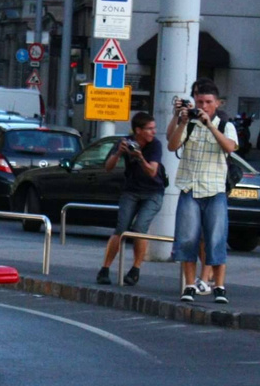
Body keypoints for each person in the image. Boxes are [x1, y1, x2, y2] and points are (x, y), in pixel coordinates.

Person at [168, 78, 238, 304]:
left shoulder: (225, 125)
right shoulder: (188, 123)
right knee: (188, 238)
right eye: (200, 101)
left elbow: (230, 147)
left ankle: (219, 286)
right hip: (190, 186)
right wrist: (181, 120)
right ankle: (189, 285)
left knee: (216, 238)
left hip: (215, 189)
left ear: (217, 103)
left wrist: (209, 125)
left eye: (208, 102)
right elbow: (172, 145)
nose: (204, 106)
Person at [96, 112, 166, 287]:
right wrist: (118, 153)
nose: (153, 132)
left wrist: (140, 157)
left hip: (153, 192)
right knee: (120, 228)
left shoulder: (155, 146)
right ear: (138, 131)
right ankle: (104, 269)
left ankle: (135, 269)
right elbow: (108, 167)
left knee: (140, 228)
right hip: (131, 191)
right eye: (149, 129)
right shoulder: (125, 142)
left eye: (154, 128)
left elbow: (152, 172)